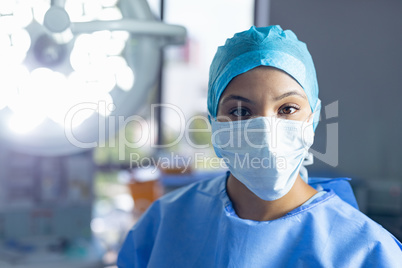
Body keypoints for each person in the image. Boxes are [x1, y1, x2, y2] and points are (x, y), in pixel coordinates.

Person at [117, 25, 402, 267]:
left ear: (312, 120)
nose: (265, 132)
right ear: (215, 124)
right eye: (240, 112)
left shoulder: (366, 251)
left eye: (287, 109)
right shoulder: (164, 225)